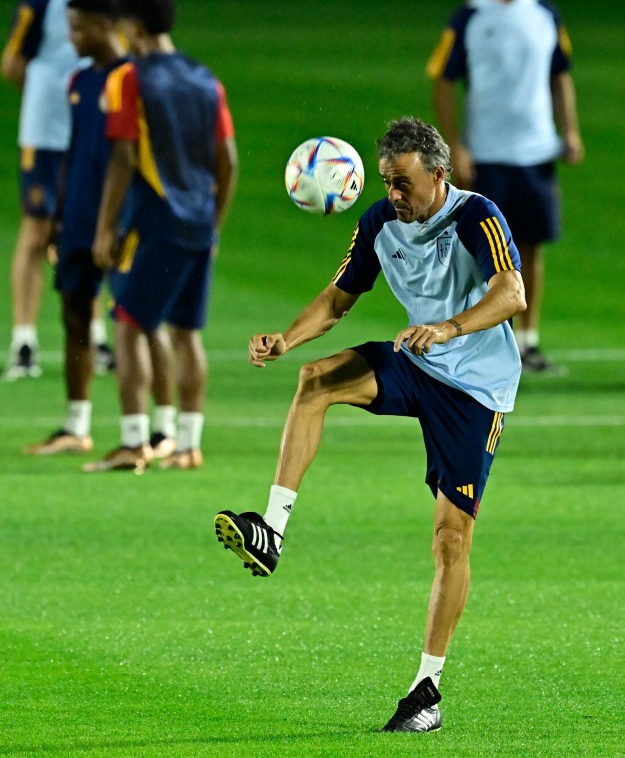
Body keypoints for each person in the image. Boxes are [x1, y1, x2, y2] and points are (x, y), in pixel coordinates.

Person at [213, 118, 526, 733]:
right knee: (313, 380)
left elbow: (512, 292)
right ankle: (271, 529)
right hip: (416, 362)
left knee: (450, 540)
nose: (394, 195)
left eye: (404, 183)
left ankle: (426, 690)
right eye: (387, 182)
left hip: (476, 389)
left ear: (438, 175)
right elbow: (337, 299)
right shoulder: (380, 223)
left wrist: (449, 326)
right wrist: (286, 338)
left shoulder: (476, 216)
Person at [84, 0, 237, 473]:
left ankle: (134, 443)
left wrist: (105, 228)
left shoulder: (128, 78)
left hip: (154, 220)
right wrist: (214, 225)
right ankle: (188, 444)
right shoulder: (206, 80)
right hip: (198, 224)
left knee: (129, 325)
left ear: (133, 28)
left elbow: (124, 157)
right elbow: (227, 159)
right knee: (187, 332)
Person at [22, 0, 178, 458]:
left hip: (127, 221)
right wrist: (57, 214)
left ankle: (164, 430)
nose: (71, 37)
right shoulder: (80, 82)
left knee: (144, 320)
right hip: (77, 219)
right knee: (74, 315)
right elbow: (75, 152)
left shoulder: (137, 80)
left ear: (107, 26)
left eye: (78, 27)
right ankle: (76, 426)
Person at [428, 0, 583, 375]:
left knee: (531, 246)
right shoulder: (470, 17)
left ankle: (526, 342)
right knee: (480, 253)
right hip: (487, 156)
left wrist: (570, 131)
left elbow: (560, 75)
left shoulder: (546, 15)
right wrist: (454, 146)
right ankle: (477, 340)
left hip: (536, 152)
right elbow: (442, 79)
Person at [0, 0, 122, 380]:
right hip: (45, 133)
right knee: (36, 230)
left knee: (98, 225)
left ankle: (97, 334)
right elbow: (13, 61)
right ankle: (24, 340)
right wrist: (47, 96)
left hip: (94, 131)